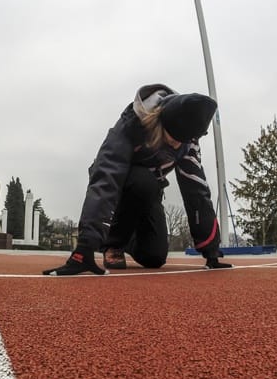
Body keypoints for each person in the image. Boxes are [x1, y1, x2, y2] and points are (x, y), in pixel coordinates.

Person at [43, 83, 232, 275]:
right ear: (161, 122)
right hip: (118, 183)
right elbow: (106, 176)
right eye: (171, 139)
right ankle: (113, 243)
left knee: (154, 257)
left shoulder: (188, 139)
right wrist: (85, 246)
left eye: (181, 142)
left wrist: (211, 251)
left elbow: (196, 188)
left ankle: (127, 239)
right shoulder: (131, 124)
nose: (176, 146)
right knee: (144, 182)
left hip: (148, 191)